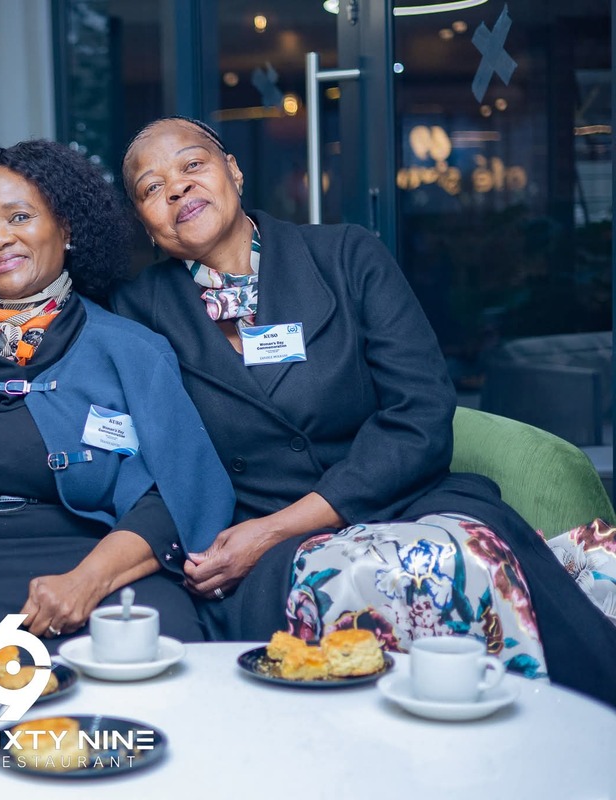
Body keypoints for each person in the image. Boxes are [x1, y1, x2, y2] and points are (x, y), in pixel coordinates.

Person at [112, 115, 616, 706]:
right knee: (361, 584)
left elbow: (421, 413)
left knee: (440, 563)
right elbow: (155, 459)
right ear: (144, 222)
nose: (177, 188)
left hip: (395, 500)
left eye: (193, 165)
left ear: (234, 171)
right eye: (152, 188)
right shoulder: (136, 310)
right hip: (263, 550)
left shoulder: (346, 255)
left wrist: (280, 527)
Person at [0, 139, 235, 662]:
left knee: (162, 666)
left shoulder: (131, 349)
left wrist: (87, 581)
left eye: (19, 217)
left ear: (66, 230)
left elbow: (181, 492)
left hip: (100, 558)